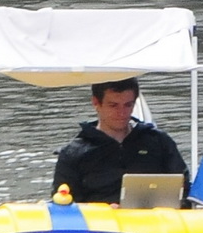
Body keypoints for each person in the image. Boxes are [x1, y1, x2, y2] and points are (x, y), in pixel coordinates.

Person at [52, 77, 187, 203]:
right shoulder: (73, 154)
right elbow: (64, 205)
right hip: (101, 225)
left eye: (128, 105)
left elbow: (184, 188)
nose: (122, 113)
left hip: (155, 222)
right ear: (96, 103)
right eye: (113, 105)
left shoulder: (159, 142)